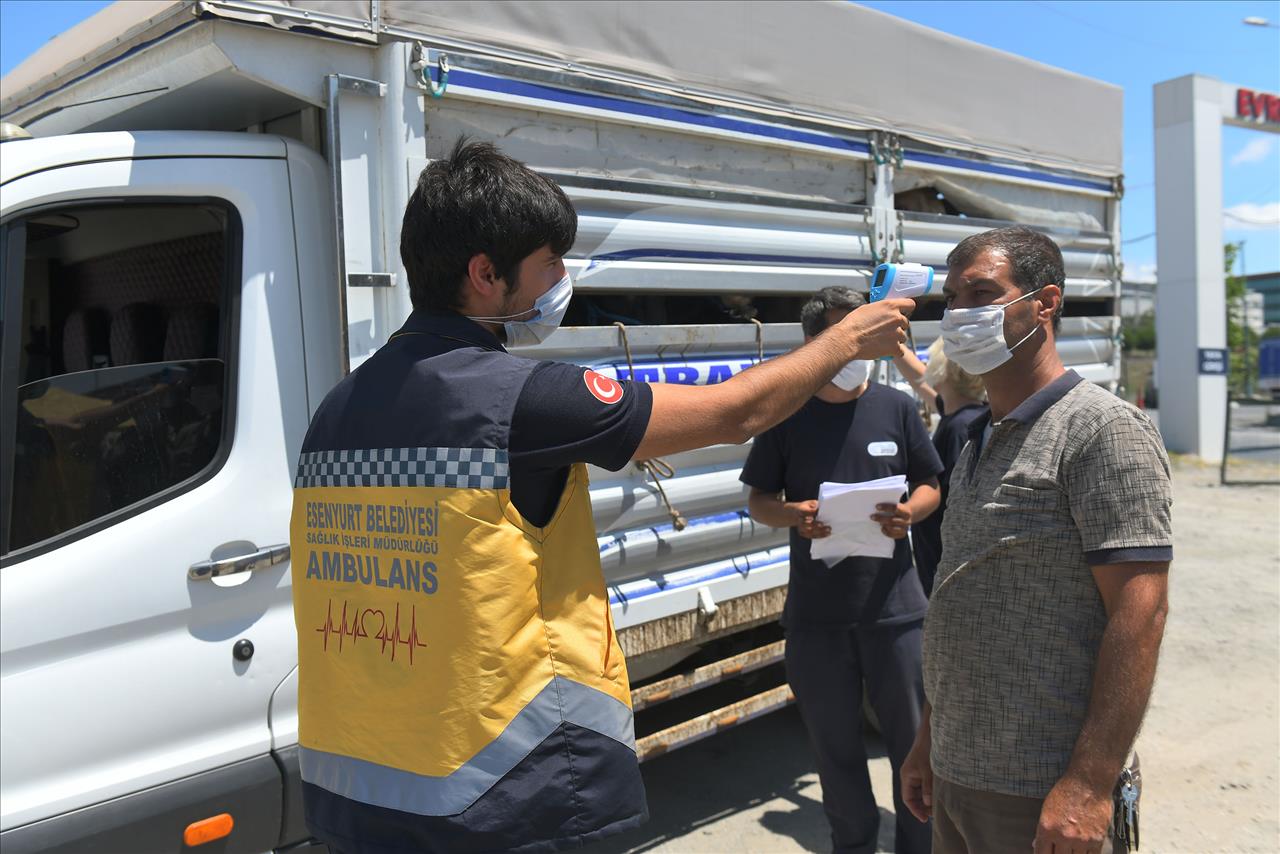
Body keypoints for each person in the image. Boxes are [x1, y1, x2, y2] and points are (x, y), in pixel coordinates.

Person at [288, 139, 915, 854]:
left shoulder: (335, 411)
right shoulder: (520, 399)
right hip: (505, 797)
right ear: (485, 274)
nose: (564, 278)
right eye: (550, 262)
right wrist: (845, 340)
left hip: (359, 796)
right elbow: (735, 412)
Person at [899, 226, 1173, 854]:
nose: (960, 313)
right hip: (958, 773)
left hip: (1041, 790)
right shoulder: (978, 442)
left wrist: (1088, 783)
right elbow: (964, 601)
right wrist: (928, 740)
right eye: (951, 298)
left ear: (1044, 304)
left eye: (982, 293)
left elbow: (1141, 613)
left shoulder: (1103, 431)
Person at [741, 286, 942, 854]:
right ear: (814, 344)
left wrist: (910, 512)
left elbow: (932, 483)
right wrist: (791, 514)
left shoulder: (896, 407)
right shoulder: (785, 414)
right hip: (817, 619)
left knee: (914, 749)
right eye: (844, 337)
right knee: (836, 753)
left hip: (897, 613)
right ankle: (852, 845)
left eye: (866, 336)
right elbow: (759, 500)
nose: (858, 351)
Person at [894, 339, 989, 596]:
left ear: (943, 371)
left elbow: (962, 500)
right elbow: (918, 379)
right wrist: (892, 346)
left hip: (947, 566)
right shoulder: (968, 414)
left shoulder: (960, 428)